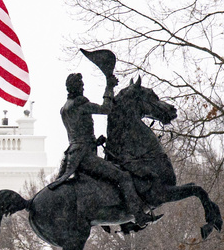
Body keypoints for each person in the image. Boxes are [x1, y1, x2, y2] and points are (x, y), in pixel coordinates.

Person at [47, 49, 154, 226]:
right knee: (123, 177)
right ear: (76, 87)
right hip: (85, 157)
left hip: (73, 154)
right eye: (81, 85)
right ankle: (138, 215)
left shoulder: (64, 108)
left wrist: (94, 142)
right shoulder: (80, 104)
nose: (83, 88)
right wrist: (109, 87)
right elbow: (106, 109)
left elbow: (77, 134)